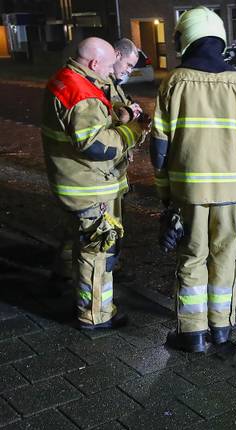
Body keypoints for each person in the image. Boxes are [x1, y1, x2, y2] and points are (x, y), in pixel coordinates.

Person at [151, 6, 236, 352]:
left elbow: (159, 151)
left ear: (184, 40)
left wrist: (166, 194)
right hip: (232, 195)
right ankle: (221, 330)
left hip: (188, 193)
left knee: (192, 259)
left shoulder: (172, 84)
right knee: (226, 259)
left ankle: (192, 333)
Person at [41, 37, 149, 329]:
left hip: (71, 180)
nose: (110, 71)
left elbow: (92, 121)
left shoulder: (66, 79)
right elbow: (95, 145)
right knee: (97, 250)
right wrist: (132, 131)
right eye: (107, 66)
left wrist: (122, 115)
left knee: (78, 239)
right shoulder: (82, 93)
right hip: (89, 185)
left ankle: (66, 281)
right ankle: (96, 315)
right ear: (93, 63)